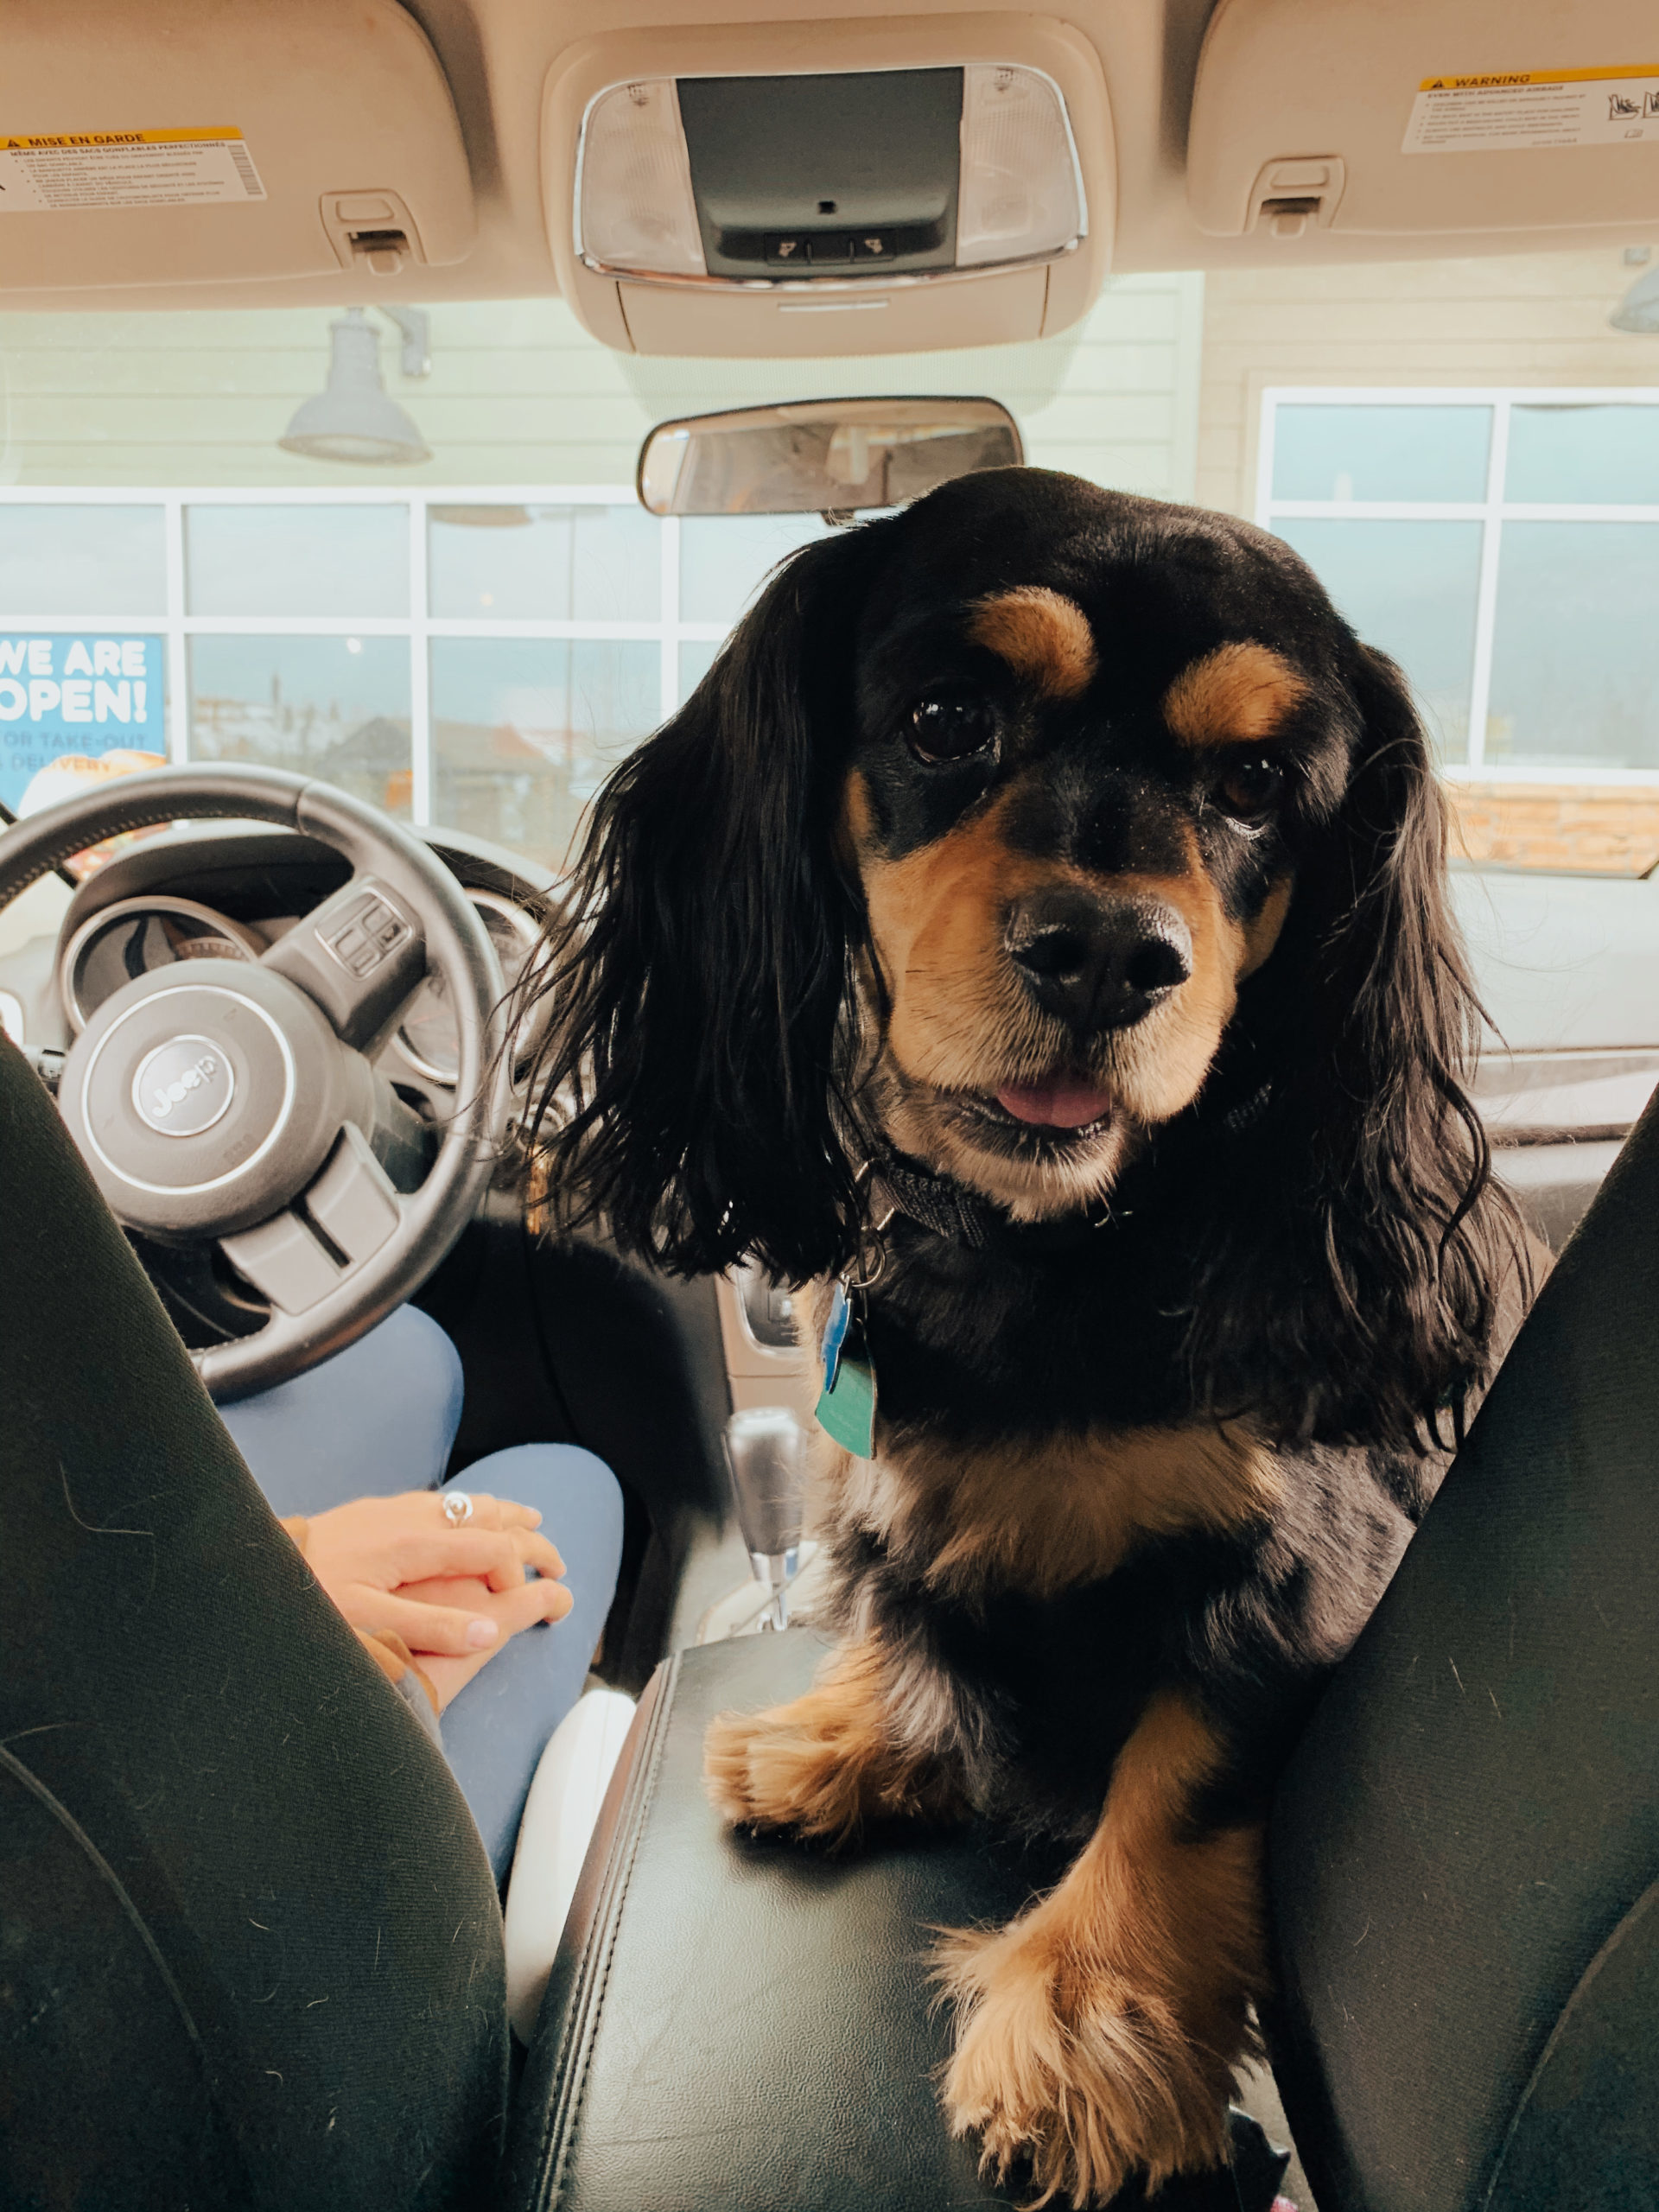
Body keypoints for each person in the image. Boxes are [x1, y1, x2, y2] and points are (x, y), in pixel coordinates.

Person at [219, 1303, 626, 1884]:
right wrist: (367, 1664)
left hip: (174, 1601)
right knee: (568, 1483)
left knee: (411, 1350)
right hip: (280, 1803)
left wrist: (285, 1553)